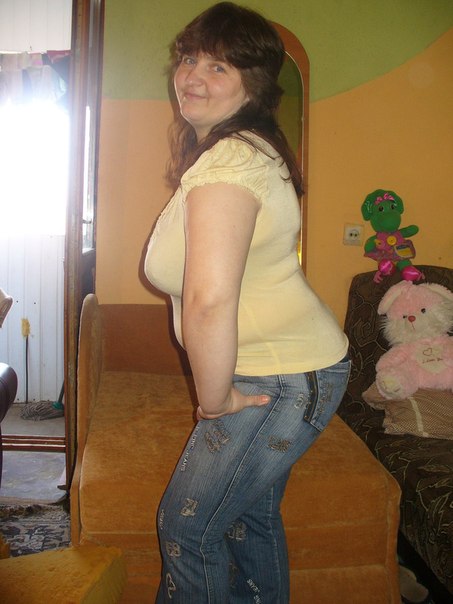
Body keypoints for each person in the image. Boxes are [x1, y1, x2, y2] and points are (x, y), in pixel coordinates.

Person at [144, 3, 350, 602]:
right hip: (284, 366)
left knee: (186, 528)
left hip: (280, 376)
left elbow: (209, 300)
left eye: (218, 67)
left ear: (253, 84)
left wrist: (215, 401)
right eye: (189, 59)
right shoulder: (235, 153)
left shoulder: (231, 161)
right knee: (247, 518)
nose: (192, 76)